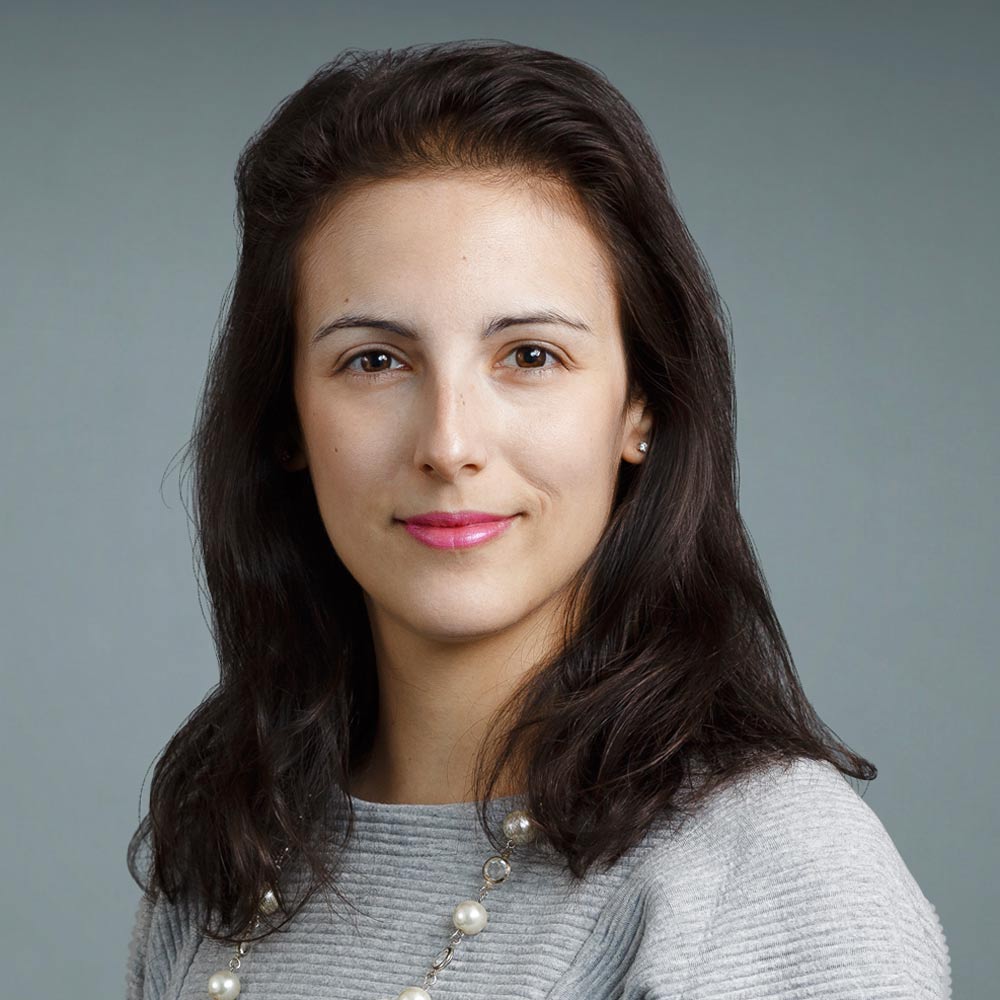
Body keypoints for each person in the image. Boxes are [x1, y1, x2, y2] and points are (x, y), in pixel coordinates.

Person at [125, 39, 951, 1000]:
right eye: (375, 362)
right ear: (286, 421)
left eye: (530, 356)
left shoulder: (767, 875)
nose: (449, 444)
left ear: (641, 407)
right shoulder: (228, 854)